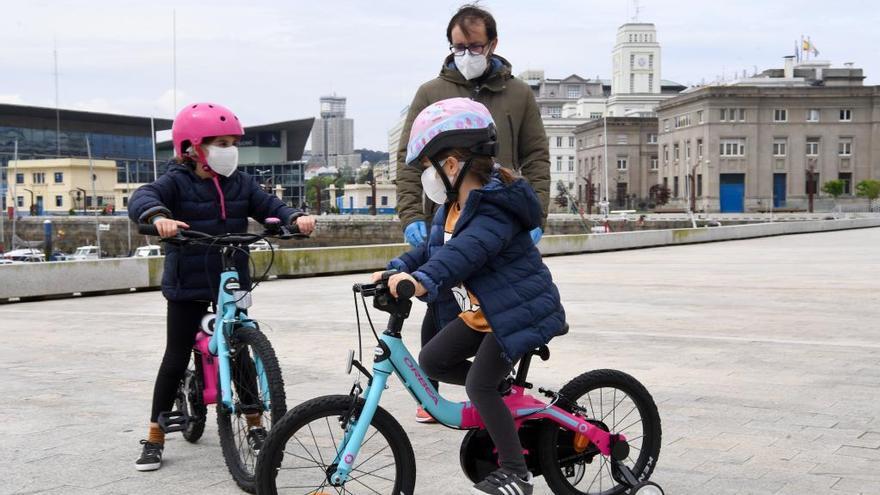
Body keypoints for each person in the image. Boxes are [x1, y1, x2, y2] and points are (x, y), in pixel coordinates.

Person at [375, 98, 566, 495]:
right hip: (486, 313)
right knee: (433, 360)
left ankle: (517, 472)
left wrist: (423, 280)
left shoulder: (493, 210)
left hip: (518, 312)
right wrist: (396, 270)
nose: (425, 175)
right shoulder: (450, 207)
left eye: (427, 165)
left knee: (479, 385)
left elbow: (464, 254)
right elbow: (430, 251)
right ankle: (503, 396)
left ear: (450, 164)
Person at [127, 102, 316, 472]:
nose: (229, 150)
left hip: (232, 280)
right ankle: (154, 435)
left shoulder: (241, 183)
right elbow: (143, 198)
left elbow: (270, 205)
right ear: (191, 148)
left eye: (233, 142)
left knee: (240, 348)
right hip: (189, 282)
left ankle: (256, 425)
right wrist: (158, 217)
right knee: (176, 355)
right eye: (221, 142)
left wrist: (294, 217)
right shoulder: (175, 181)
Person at [395, 4, 551, 421]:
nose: (465, 53)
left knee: (491, 300)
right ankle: (441, 394)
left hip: (497, 214)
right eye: (457, 46)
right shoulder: (431, 91)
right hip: (446, 215)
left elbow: (536, 155)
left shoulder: (517, 94)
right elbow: (407, 161)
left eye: (474, 46)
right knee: (439, 305)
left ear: (493, 44)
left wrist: (536, 214)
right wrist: (412, 215)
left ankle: (492, 391)